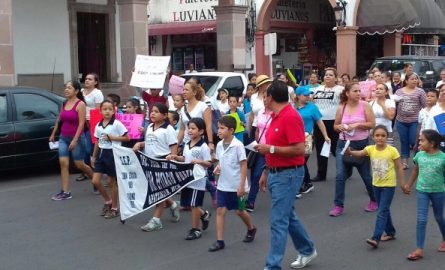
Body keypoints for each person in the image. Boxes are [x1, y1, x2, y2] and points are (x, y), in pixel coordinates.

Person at [256, 80, 317, 269]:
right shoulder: (275, 116)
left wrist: (270, 149)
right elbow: (275, 147)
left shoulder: (290, 116)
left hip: (288, 175)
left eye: (265, 94)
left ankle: (272, 265)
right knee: (287, 216)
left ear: (271, 97)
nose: (263, 98)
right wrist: (266, 170)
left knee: (278, 221)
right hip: (276, 173)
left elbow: (299, 149)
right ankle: (307, 249)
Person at [346, 125, 405, 248]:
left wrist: (403, 183)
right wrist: (351, 152)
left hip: (389, 185)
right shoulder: (371, 149)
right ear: (373, 137)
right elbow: (360, 153)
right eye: (377, 135)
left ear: (387, 137)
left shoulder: (392, 150)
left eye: (383, 136)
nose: (380, 138)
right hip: (376, 185)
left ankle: (375, 238)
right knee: (384, 209)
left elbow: (399, 167)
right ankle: (390, 232)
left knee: (382, 211)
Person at [208, 116, 256, 252]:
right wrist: (218, 167)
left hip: (236, 185)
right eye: (219, 128)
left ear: (231, 130)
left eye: (222, 128)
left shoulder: (238, 145)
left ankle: (251, 228)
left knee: (240, 211)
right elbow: (220, 162)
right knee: (220, 210)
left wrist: (242, 185)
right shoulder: (219, 145)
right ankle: (220, 241)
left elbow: (243, 165)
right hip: (223, 184)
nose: (219, 131)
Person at [330, 82, 376, 217]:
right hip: (343, 144)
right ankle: (338, 205)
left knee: (366, 176)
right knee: (339, 176)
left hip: (361, 144)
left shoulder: (365, 105)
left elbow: (372, 124)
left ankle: (374, 200)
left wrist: (356, 125)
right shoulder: (341, 107)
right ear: (347, 93)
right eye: (355, 91)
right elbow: (335, 126)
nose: (358, 93)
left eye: (359, 91)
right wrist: (340, 127)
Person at [133, 103, 180, 231]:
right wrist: (140, 144)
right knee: (159, 190)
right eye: (152, 111)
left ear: (165, 115)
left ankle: (156, 220)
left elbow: (173, 147)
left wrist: (172, 161)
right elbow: (149, 142)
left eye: (156, 111)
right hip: (149, 163)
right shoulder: (149, 126)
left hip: (163, 162)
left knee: (158, 192)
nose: (152, 113)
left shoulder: (168, 129)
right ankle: (173, 204)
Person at [167, 118, 212, 240]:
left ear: (201, 131)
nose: (190, 131)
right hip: (187, 179)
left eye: (193, 128)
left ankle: (195, 229)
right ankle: (204, 215)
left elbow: (209, 163)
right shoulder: (187, 144)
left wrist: (199, 161)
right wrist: (175, 157)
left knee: (194, 205)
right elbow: (185, 159)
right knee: (190, 203)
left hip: (198, 180)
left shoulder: (203, 146)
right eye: (189, 128)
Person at [403, 129, 445, 260]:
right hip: (422, 191)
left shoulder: (443, 157)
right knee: (421, 219)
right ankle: (419, 249)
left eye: (422, 140)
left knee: (439, 217)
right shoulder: (419, 155)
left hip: (438, 191)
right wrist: (408, 185)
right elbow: (415, 170)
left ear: (432, 143)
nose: (419, 142)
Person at [49, 80, 94, 200]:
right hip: (63, 138)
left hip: (77, 138)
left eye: (69, 88)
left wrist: (75, 140)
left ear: (76, 91)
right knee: (63, 163)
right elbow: (59, 119)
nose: (66, 90)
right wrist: (53, 134)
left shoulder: (80, 104)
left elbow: (81, 124)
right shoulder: (64, 103)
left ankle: (95, 180)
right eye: (66, 88)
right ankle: (65, 191)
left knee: (80, 165)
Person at [91, 100, 130, 218]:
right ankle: (108, 201)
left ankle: (114, 208)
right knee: (95, 181)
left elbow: (127, 138)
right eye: (104, 109)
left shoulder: (117, 124)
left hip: (113, 153)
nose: (107, 111)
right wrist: (94, 156)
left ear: (114, 111)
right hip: (101, 154)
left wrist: (113, 138)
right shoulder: (98, 125)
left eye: (110, 109)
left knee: (111, 182)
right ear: (100, 111)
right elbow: (97, 141)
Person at [294, 86, 330, 196]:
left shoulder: (312, 107)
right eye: (305, 95)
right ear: (298, 96)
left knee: (301, 161)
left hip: (307, 138)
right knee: (299, 161)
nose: (308, 97)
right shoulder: (292, 107)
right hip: (294, 138)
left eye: (308, 94)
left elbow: (319, 122)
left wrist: (326, 136)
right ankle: (307, 182)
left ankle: (304, 183)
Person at [311, 67, 343, 182]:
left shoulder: (340, 89)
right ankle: (321, 174)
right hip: (319, 122)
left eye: (330, 75)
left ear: (335, 78)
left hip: (334, 122)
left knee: (335, 148)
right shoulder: (317, 89)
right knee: (320, 148)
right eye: (326, 75)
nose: (327, 76)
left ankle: (345, 169)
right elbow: (310, 101)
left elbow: (344, 105)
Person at [246, 92, 272, 212]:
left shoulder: (276, 114)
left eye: (267, 97)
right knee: (255, 174)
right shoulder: (261, 112)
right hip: (260, 148)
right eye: (264, 97)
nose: (265, 100)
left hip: (272, 149)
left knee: (268, 175)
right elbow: (257, 129)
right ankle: (250, 201)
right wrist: (256, 141)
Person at [394, 73, 427, 169]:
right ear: (406, 81)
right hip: (401, 121)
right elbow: (393, 104)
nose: (415, 81)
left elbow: (425, 105)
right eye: (412, 79)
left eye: (416, 79)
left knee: (414, 141)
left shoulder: (420, 92)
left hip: (415, 121)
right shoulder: (399, 91)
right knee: (404, 141)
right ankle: (405, 162)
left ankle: (418, 158)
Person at [77, 73, 104, 182]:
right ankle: (85, 171)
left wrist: (93, 124)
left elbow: (98, 111)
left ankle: (92, 171)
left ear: (95, 82)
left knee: (89, 149)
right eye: (86, 79)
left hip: (91, 123)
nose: (87, 81)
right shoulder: (81, 92)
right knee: (82, 148)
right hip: (80, 121)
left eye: (90, 79)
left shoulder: (97, 93)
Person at [178, 81, 213, 150]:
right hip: (186, 143)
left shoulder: (203, 106)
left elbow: (208, 126)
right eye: (183, 90)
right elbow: (182, 129)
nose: (184, 92)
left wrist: (210, 142)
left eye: (187, 90)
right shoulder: (183, 108)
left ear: (194, 92)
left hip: (200, 143)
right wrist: (177, 144)